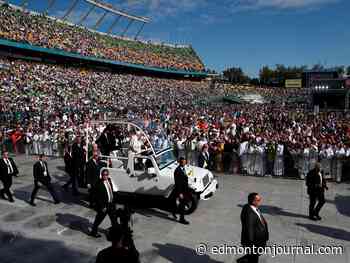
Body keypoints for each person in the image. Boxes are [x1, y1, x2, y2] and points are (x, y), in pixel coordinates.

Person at [237, 193, 269, 263]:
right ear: (253, 201)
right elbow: (249, 229)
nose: (260, 201)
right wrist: (251, 244)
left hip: (258, 240)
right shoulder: (250, 214)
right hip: (254, 242)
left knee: (253, 256)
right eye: (258, 200)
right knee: (254, 258)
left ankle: (242, 260)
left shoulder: (252, 208)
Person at [90, 169, 116, 238]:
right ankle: (93, 232)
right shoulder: (98, 184)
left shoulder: (109, 180)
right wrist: (102, 207)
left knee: (114, 220)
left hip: (111, 204)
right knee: (98, 220)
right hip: (104, 206)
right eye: (104, 175)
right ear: (101, 175)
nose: (105, 176)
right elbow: (97, 197)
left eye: (106, 175)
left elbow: (111, 191)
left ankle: (115, 233)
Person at [172, 157, 190, 225]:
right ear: (180, 162)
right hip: (181, 191)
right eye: (182, 162)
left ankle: (174, 211)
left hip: (185, 189)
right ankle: (182, 219)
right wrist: (180, 193)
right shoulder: (177, 170)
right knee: (182, 205)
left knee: (184, 202)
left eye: (184, 162)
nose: (184, 163)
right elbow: (177, 183)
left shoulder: (183, 168)